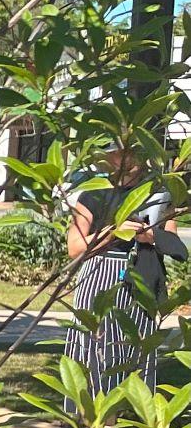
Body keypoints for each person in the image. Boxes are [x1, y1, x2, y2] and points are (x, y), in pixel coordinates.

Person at [66, 144, 184, 394]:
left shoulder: (158, 194)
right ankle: (96, 418)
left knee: (135, 347)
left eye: (132, 153)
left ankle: (129, 413)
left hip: (142, 278)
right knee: (96, 348)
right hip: (99, 276)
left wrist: (150, 236)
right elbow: (75, 248)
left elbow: (176, 246)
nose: (125, 159)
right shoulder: (92, 194)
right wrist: (112, 233)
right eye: (117, 153)